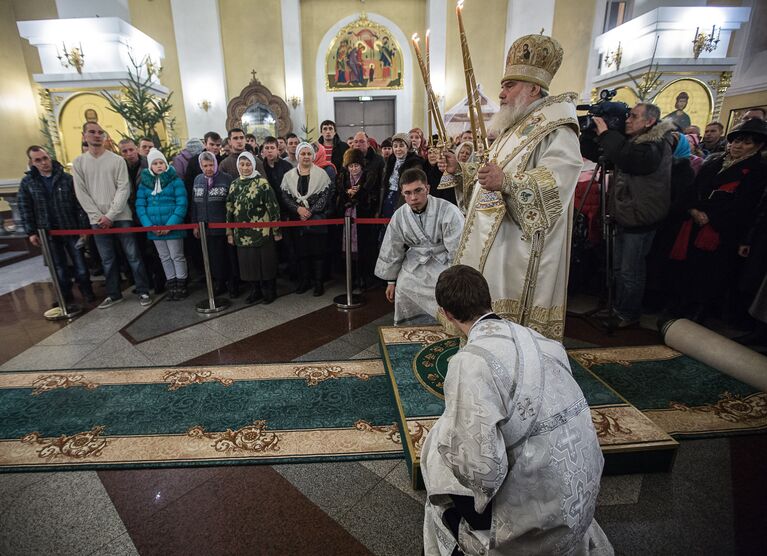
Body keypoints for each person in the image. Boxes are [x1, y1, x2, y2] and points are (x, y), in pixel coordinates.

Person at [421, 264, 613, 556]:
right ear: (489, 300)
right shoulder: (544, 341)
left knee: (437, 452)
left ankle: (459, 535)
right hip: (580, 491)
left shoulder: (468, 362)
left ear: (446, 314)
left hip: (532, 525)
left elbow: (482, 472)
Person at [437, 33, 582, 340]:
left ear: (533, 88)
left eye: (509, 85)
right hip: (492, 240)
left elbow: (557, 184)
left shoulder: (556, 129)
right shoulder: (512, 126)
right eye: (503, 85)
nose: (501, 94)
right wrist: (463, 171)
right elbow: (491, 173)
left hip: (517, 250)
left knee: (510, 330)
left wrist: (506, 183)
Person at [669, 118, 767, 323]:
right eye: (737, 140)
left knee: (711, 273)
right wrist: (694, 209)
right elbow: (693, 189)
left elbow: (745, 205)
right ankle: (682, 303)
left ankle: (701, 310)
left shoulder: (757, 171)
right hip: (696, 221)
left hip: (722, 229)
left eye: (747, 142)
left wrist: (711, 217)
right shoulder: (714, 162)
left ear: (758, 146)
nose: (739, 146)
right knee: (690, 267)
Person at [594, 103, 675, 328]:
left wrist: (608, 135)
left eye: (633, 116)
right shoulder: (635, 141)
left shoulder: (654, 144)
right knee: (620, 268)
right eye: (628, 115)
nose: (627, 120)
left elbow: (632, 160)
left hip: (640, 217)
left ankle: (628, 314)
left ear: (649, 122)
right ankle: (618, 308)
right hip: (626, 214)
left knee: (631, 271)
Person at [73, 121, 152, 308]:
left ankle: (143, 290)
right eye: (92, 132)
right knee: (107, 258)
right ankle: (114, 294)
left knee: (133, 255)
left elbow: (124, 188)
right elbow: (81, 192)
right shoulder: (79, 162)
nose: (96, 135)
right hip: (97, 219)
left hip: (121, 216)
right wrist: (98, 215)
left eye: (100, 132)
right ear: (84, 136)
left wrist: (110, 214)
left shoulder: (116, 160)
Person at [375, 168, 463, 324]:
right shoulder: (400, 215)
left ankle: (447, 327)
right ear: (402, 193)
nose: (413, 197)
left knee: (444, 290)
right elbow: (392, 247)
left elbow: (458, 248)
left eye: (418, 190)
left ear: (427, 188)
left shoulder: (448, 210)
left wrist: (457, 278)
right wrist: (391, 282)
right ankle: (410, 329)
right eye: (408, 193)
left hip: (443, 263)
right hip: (414, 263)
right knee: (404, 285)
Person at [18, 146, 95, 305]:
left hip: (70, 228)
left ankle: (87, 291)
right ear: (32, 162)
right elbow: (25, 207)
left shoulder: (66, 179)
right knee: (59, 267)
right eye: (38, 160)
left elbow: (79, 205)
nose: (43, 163)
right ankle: (64, 295)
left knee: (80, 264)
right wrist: (31, 231)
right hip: (48, 232)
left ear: (49, 157)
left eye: (45, 158)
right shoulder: (28, 182)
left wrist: (83, 228)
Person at [227, 151, 282, 304]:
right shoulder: (234, 184)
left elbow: (273, 207)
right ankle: (255, 290)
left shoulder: (262, 183)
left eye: (248, 164)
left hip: (263, 232)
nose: (245, 168)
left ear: (253, 165)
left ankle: (270, 291)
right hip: (242, 233)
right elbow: (229, 208)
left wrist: (276, 230)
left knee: (266, 262)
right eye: (242, 164)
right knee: (248, 264)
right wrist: (229, 232)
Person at [281, 142, 334, 296]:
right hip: (298, 221)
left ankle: (318, 283)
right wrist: (298, 209)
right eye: (302, 154)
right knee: (302, 253)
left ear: (313, 156)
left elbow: (326, 195)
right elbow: (285, 197)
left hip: (317, 219)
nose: (306, 156)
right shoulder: (289, 176)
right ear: (298, 156)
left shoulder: (322, 174)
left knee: (318, 253)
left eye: (308, 154)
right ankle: (304, 281)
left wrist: (310, 211)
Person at [135, 149, 189, 300]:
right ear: (150, 167)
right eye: (155, 163)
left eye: (161, 163)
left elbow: (181, 203)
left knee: (176, 255)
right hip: (155, 229)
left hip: (172, 227)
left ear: (166, 164)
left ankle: (181, 284)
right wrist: (149, 226)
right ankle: (171, 285)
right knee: (164, 257)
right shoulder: (145, 185)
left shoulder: (175, 181)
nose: (159, 166)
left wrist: (170, 225)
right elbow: (140, 206)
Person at [118, 138, 165, 294]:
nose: (129, 154)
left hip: (149, 213)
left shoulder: (148, 165)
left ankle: (159, 282)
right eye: (125, 151)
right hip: (129, 214)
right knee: (137, 250)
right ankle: (145, 282)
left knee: (154, 250)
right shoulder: (120, 166)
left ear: (136, 149)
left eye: (131, 150)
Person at [191, 151, 239, 298]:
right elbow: (194, 204)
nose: (208, 168)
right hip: (206, 229)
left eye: (211, 165)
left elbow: (232, 204)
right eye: (205, 166)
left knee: (228, 258)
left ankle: (233, 285)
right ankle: (220, 283)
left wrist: (231, 227)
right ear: (201, 166)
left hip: (223, 228)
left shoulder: (226, 179)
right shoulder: (198, 179)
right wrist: (195, 224)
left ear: (216, 164)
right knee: (213, 258)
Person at [337, 148, 378, 289]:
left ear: (361, 165)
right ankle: (352, 278)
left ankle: (364, 278)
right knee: (349, 248)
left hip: (362, 218)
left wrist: (359, 194)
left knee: (364, 248)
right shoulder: (343, 177)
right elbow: (338, 197)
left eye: (356, 165)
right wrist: (347, 194)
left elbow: (372, 198)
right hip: (347, 218)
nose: (354, 169)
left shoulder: (368, 177)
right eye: (351, 166)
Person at [380, 133, 426, 218]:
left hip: (404, 198)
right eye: (395, 146)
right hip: (389, 197)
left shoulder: (415, 163)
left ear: (408, 147)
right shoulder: (390, 161)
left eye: (401, 146)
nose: (398, 149)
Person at [352, 131, 386, 215]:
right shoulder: (348, 159)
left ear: (368, 144)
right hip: (353, 203)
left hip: (372, 204)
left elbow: (382, 184)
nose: (358, 144)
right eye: (356, 142)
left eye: (361, 141)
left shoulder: (378, 160)